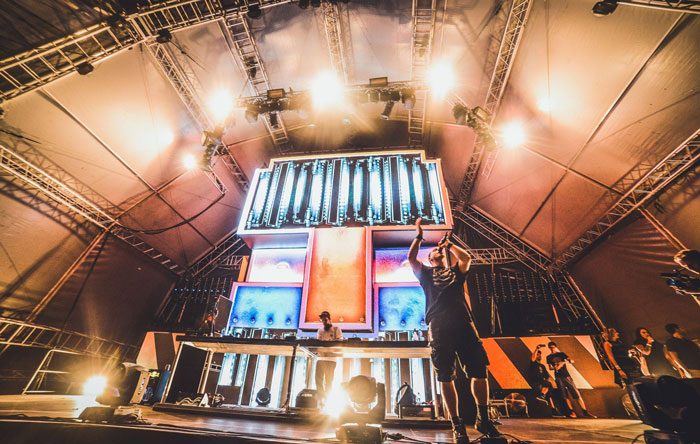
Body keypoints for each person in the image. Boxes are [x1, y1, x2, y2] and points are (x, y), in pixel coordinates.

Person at [408, 218, 500, 443]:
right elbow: (411, 258)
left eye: (439, 250)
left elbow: (466, 258)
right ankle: (457, 424)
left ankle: (483, 418)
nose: (437, 251)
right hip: (439, 325)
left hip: (464, 323)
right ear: (430, 259)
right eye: (434, 251)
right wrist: (419, 236)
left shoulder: (456, 272)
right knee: (445, 375)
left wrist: (448, 244)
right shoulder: (425, 274)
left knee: (479, 371)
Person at [546, 341, 595, 418]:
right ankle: (572, 412)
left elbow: (570, 360)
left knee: (576, 393)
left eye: (553, 347)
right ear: (549, 348)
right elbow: (550, 368)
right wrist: (556, 367)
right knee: (564, 395)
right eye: (550, 347)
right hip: (558, 377)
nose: (552, 349)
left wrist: (566, 362)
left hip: (566, 376)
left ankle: (585, 411)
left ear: (555, 347)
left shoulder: (561, 354)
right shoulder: (549, 357)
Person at [315, 311, 342, 402]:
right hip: (321, 358)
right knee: (318, 380)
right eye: (322, 320)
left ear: (330, 320)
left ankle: (327, 400)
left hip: (331, 359)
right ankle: (321, 399)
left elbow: (339, 342)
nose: (324, 322)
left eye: (325, 320)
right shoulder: (320, 330)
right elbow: (318, 343)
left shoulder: (336, 329)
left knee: (328, 381)